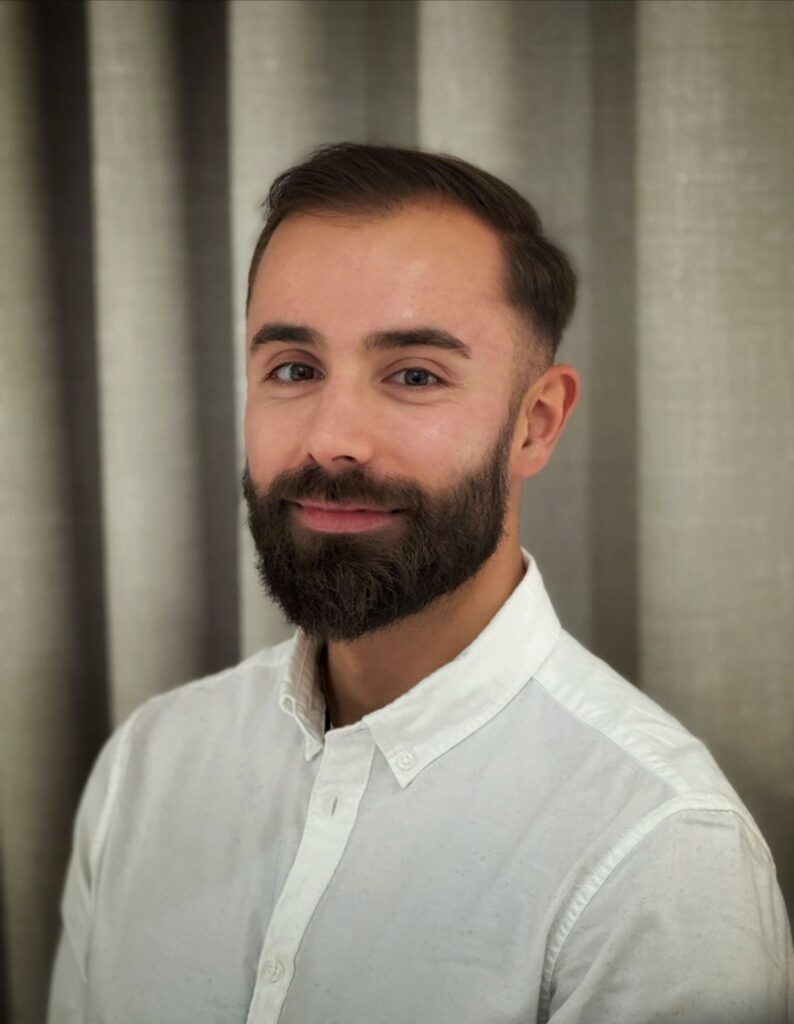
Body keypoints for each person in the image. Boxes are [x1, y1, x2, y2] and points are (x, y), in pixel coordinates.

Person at [48, 142, 793, 1024]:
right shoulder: (147, 766)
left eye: (414, 375)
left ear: (536, 423)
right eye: (294, 369)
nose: (333, 438)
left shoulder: (662, 856)